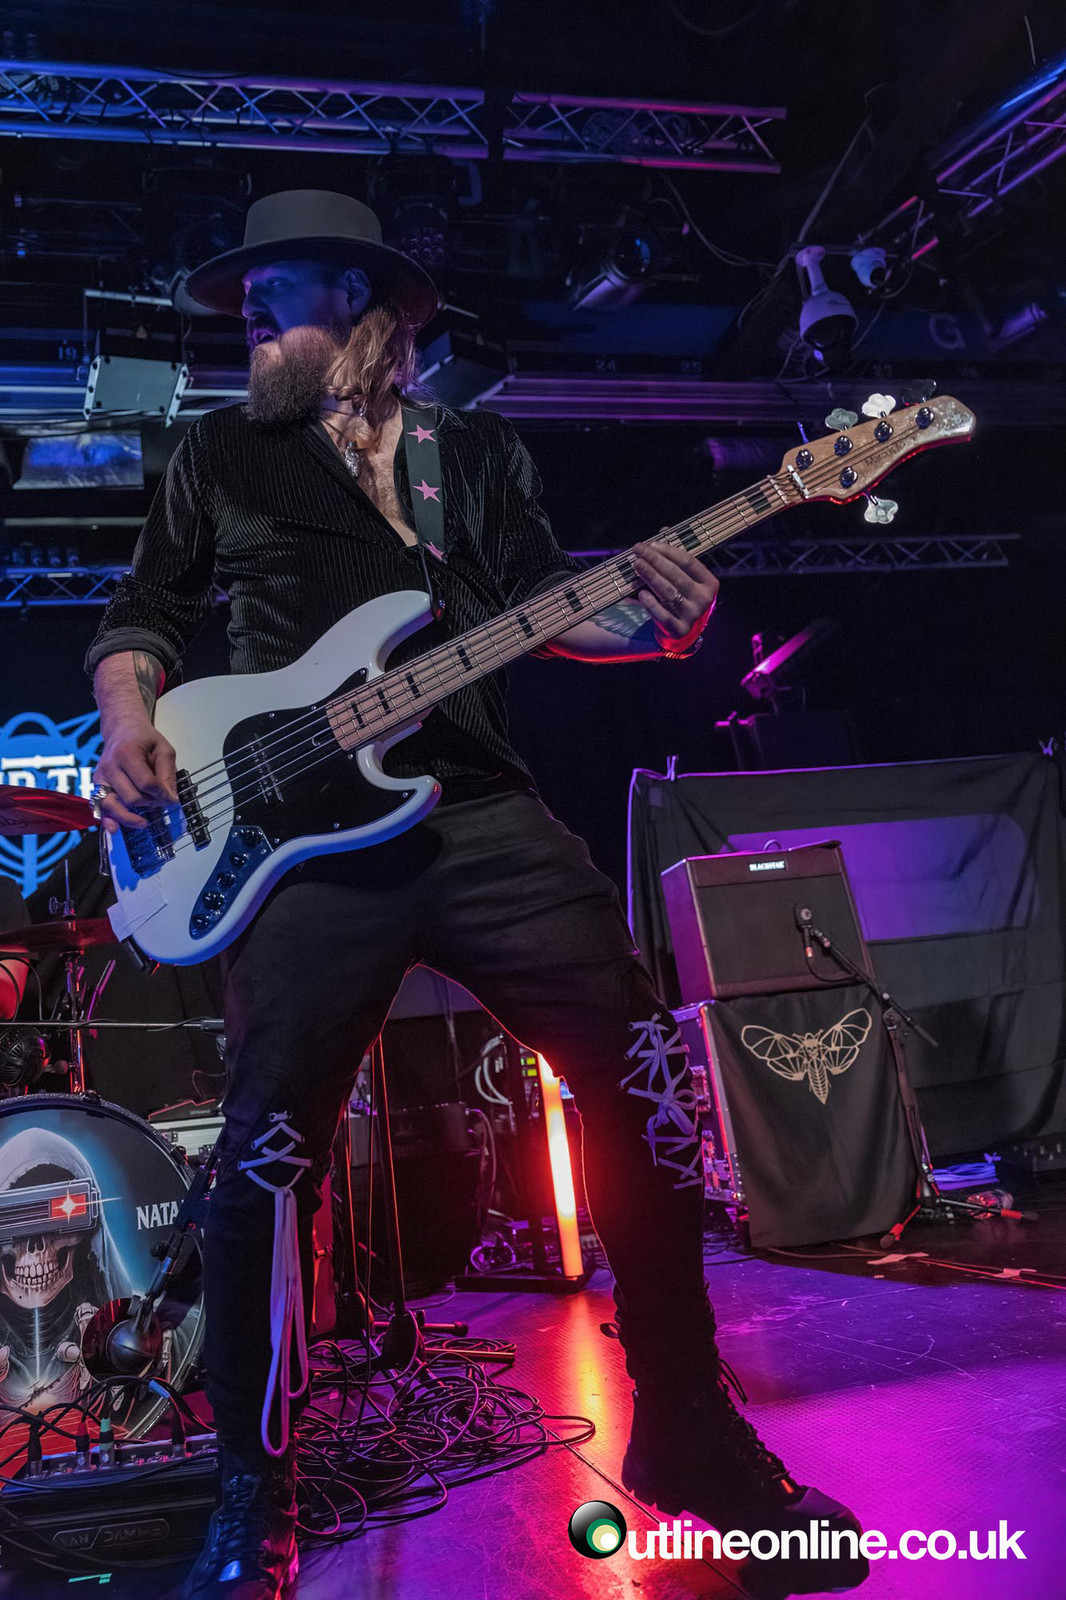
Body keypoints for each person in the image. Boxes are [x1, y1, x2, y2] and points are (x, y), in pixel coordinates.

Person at [86, 191, 867, 1600]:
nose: (248, 315)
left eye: (278, 291)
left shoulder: (477, 454)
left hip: (480, 811)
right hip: (292, 837)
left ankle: (689, 1432)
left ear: (361, 299)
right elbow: (143, 615)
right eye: (247, 300)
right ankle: (250, 1493)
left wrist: (657, 621)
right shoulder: (219, 453)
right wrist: (127, 718)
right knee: (263, 1160)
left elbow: (551, 615)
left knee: (647, 1084)